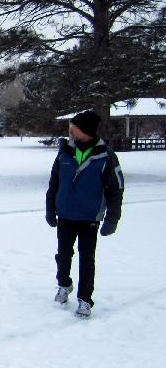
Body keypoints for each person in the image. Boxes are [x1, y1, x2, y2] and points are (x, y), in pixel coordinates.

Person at [45, 110, 124, 318]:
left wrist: (112, 219)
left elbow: (116, 190)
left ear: (86, 130)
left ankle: (85, 300)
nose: (70, 130)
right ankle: (64, 284)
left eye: (75, 127)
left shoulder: (106, 157)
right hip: (65, 215)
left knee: (86, 259)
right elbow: (54, 183)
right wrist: (50, 208)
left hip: (89, 218)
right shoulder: (64, 153)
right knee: (63, 256)